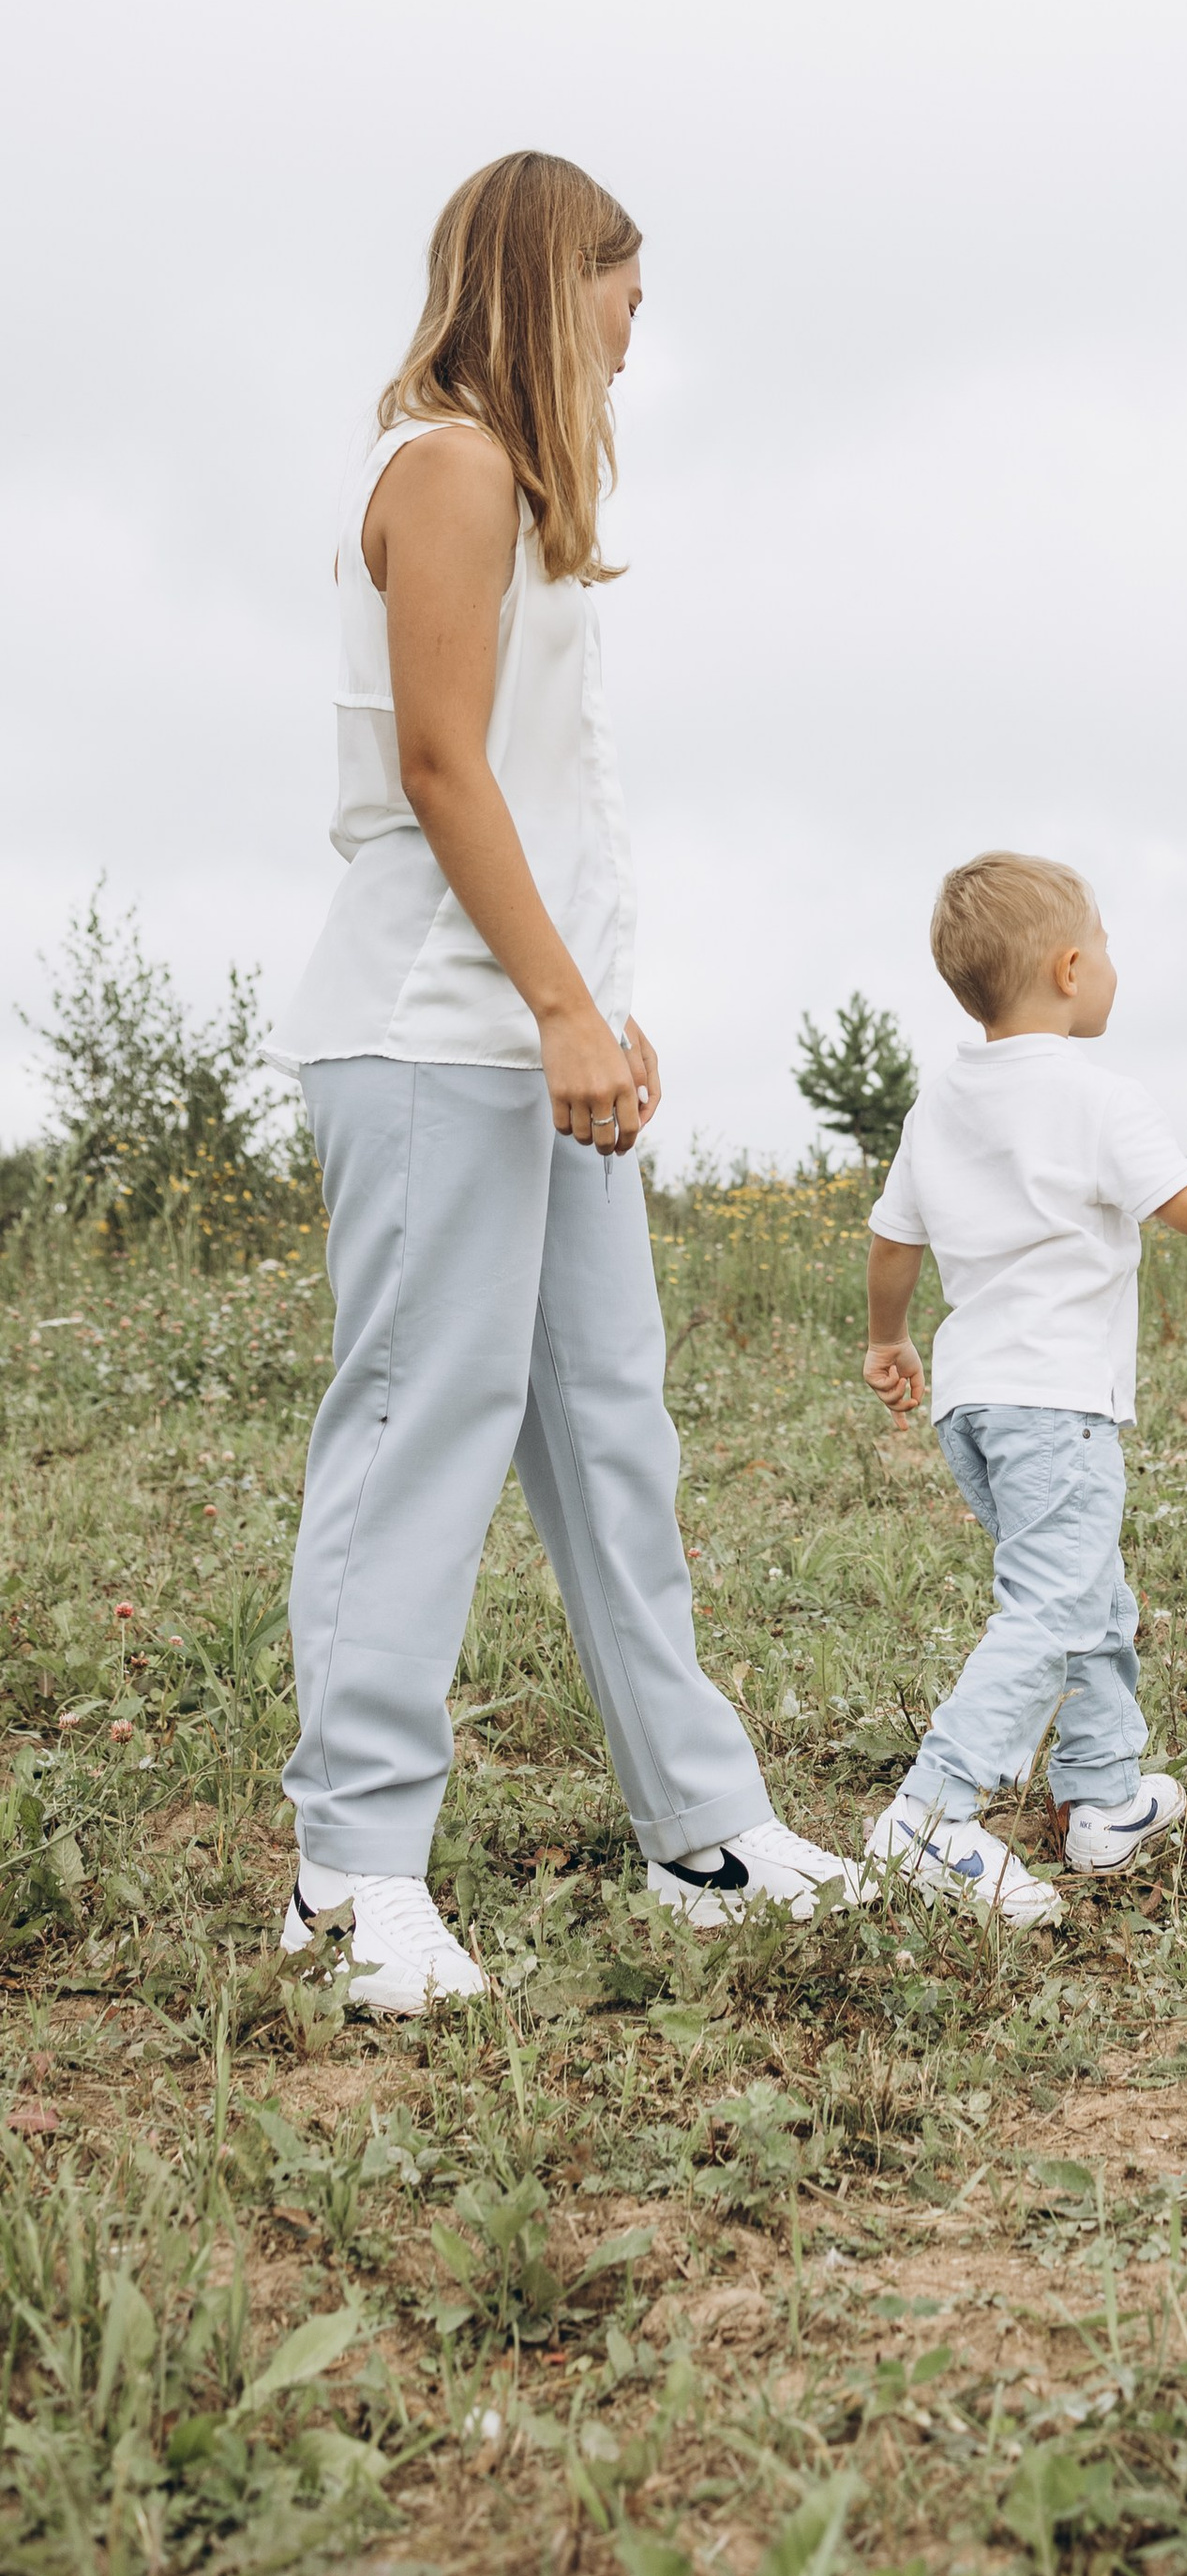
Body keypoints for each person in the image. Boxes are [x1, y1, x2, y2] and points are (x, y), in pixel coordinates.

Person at [274, 154, 860, 2014]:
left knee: (611, 1428)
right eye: (620, 281)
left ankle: (704, 1830)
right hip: (435, 1031)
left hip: (531, 1035)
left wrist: (597, 1008)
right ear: (550, 277)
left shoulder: (521, 498)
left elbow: (538, 781)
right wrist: (553, 1002)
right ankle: (349, 1873)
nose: (635, 318)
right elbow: (445, 769)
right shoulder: (444, 466)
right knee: (419, 1423)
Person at [861, 854, 1187, 1925]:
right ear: (1070, 968)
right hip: (1056, 1403)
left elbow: (892, 1239)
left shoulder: (943, 1102)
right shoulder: (1094, 1096)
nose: (1113, 964)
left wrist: (887, 1338)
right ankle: (931, 1812)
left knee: (1090, 1595)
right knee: (1056, 1603)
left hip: (974, 1404)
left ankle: (1106, 1794)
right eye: (1105, 945)